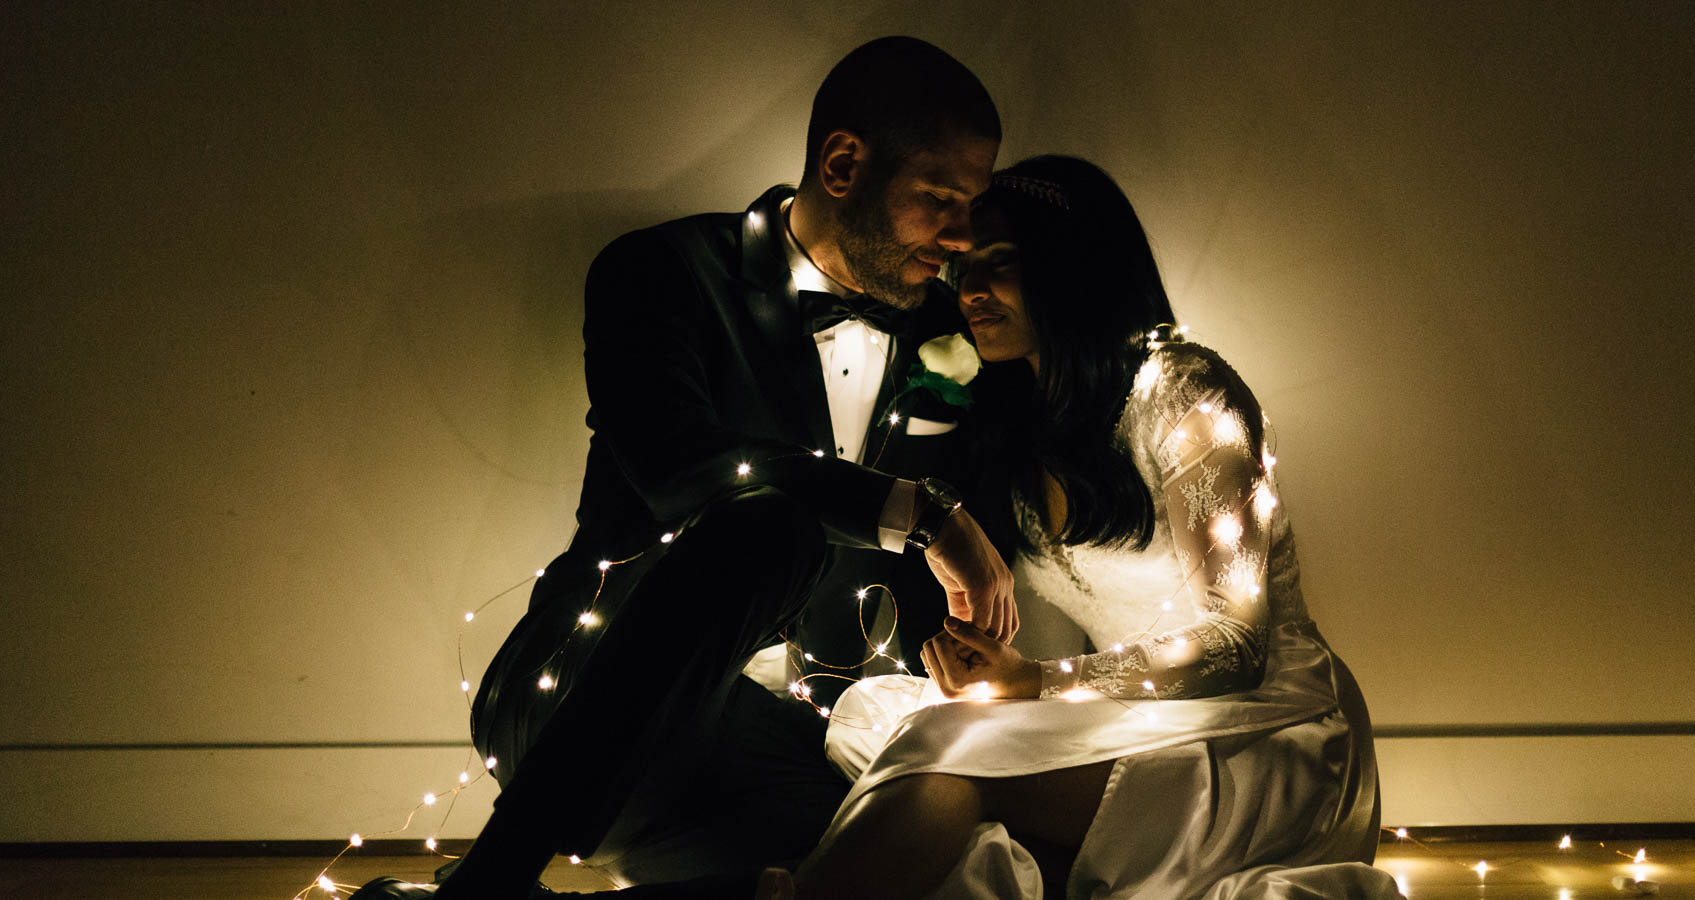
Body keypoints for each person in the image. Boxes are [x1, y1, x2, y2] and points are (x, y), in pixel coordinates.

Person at [350, 37, 1019, 900]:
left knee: (921, 862)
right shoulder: (661, 273)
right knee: (770, 523)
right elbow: (681, 471)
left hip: (777, 746)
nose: (960, 238)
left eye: (972, 207)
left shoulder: (948, 329)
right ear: (843, 166)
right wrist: (919, 511)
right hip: (581, 706)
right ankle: (492, 880)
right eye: (938, 199)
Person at [780, 156, 1403, 899]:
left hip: (1265, 731)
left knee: (943, 752)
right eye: (963, 268)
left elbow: (1236, 646)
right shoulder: (1022, 419)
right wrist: (999, 673)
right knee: (878, 716)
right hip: (1129, 713)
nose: (970, 290)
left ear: (1071, 267)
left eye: (1001, 262)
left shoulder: (1187, 395)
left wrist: (1041, 684)